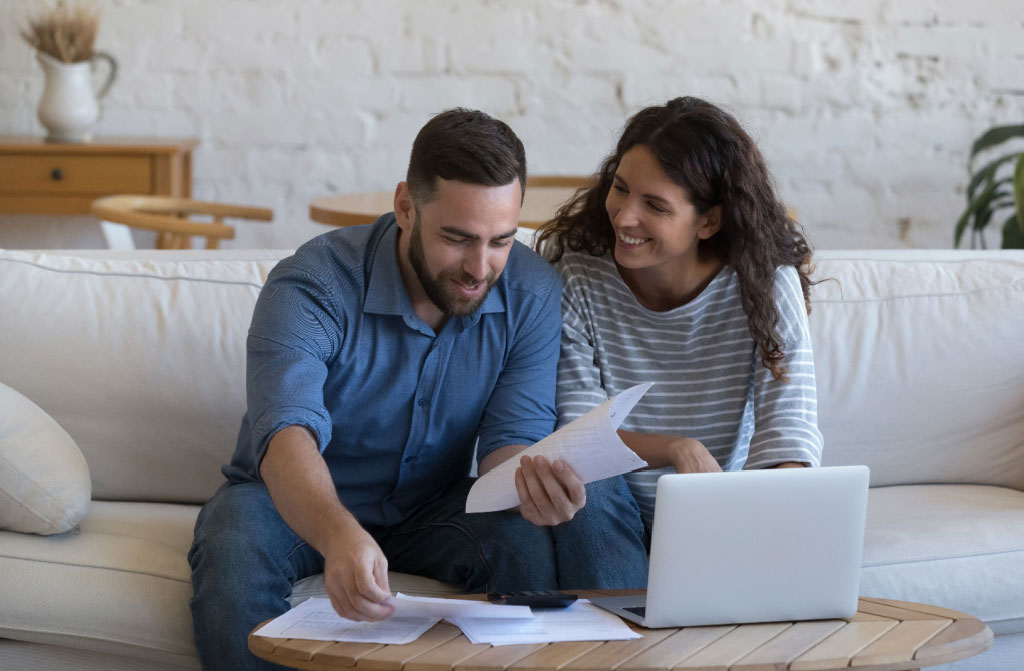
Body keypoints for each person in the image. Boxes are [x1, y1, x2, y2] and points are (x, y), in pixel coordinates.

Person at [188, 108, 648, 670]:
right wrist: (339, 536)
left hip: (433, 507)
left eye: (501, 240)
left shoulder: (531, 290)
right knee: (233, 550)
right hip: (287, 503)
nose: (480, 268)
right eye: (457, 238)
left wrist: (533, 482)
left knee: (522, 540)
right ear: (406, 206)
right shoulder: (312, 283)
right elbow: (287, 434)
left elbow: (509, 442)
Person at [536, 97, 824, 531]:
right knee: (582, 487)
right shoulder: (576, 269)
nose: (625, 217)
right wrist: (674, 447)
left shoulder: (764, 284)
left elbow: (789, 439)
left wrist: (759, 525)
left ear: (708, 222)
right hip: (606, 508)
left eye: (655, 205)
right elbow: (578, 436)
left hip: (712, 515)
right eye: (621, 188)